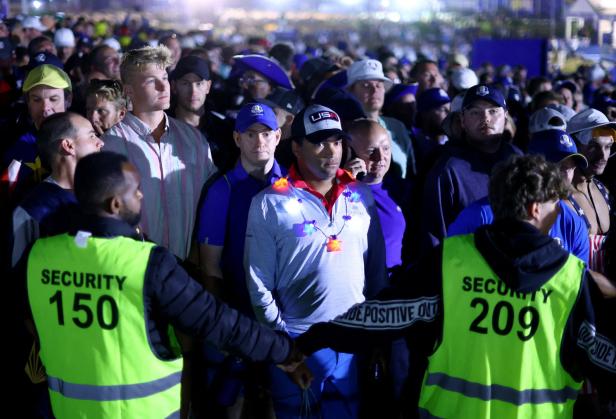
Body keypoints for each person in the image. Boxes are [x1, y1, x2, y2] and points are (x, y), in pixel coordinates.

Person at [295, 154, 616, 418]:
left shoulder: (451, 260)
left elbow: (381, 315)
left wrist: (304, 343)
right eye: (553, 205)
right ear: (535, 209)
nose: (558, 211)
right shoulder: (571, 279)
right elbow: (604, 356)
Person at [24, 151, 306, 418]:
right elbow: (215, 322)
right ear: (115, 204)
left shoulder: (40, 255)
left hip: (69, 411)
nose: (140, 194)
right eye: (134, 190)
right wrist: (284, 351)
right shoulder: (145, 262)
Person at [245, 104, 387, 418]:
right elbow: (258, 286)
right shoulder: (270, 202)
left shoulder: (362, 196)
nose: (331, 150)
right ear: (296, 147)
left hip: (354, 341)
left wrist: (378, 336)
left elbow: (376, 274)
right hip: (298, 343)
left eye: (337, 141)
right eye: (320, 142)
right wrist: (285, 346)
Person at [103, 45, 217, 260]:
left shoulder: (194, 141)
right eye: (150, 81)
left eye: (164, 77)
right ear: (128, 90)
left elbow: (209, 207)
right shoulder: (109, 146)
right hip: (131, 270)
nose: (163, 86)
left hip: (185, 270)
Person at [420, 84, 521, 249]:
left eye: (493, 111)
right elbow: (435, 234)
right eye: (475, 112)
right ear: (462, 120)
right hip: (467, 268)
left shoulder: (519, 161)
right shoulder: (449, 169)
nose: (485, 118)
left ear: (506, 116)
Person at [11, 112, 103, 267]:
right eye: (92, 136)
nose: (101, 142)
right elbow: (21, 274)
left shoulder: (104, 196)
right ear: (68, 146)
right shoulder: (33, 208)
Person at [347, 58, 416, 179]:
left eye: (379, 85)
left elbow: (411, 172)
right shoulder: (346, 132)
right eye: (366, 85)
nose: (374, 91)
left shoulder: (397, 127)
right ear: (351, 92)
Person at [169, 55, 212, 128]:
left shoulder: (221, 128)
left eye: (199, 84)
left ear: (208, 86)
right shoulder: (162, 126)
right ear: (174, 86)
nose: (193, 92)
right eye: (185, 83)